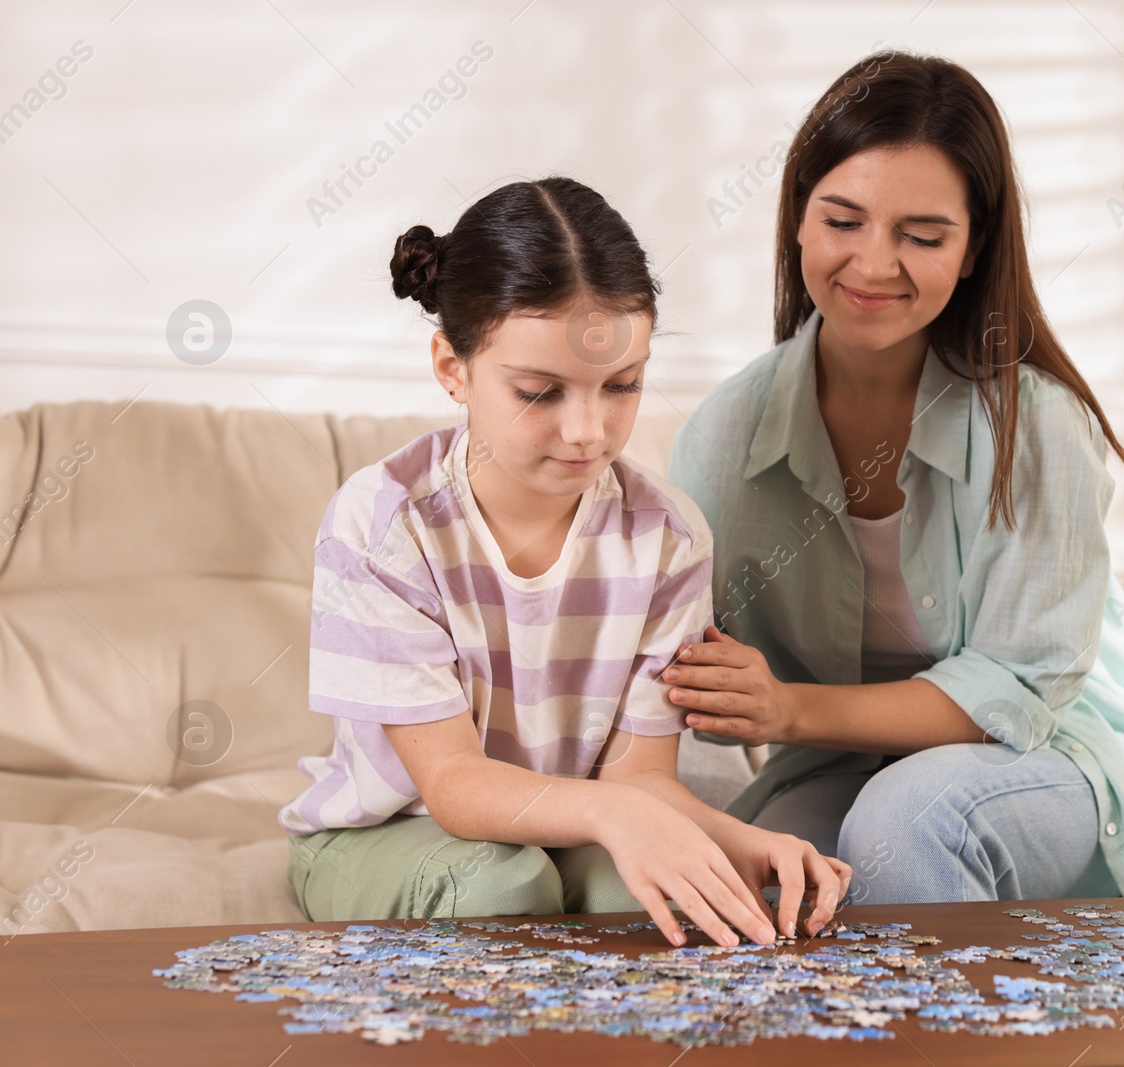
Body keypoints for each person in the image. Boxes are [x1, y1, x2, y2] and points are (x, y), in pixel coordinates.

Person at [665, 52, 1124, 903]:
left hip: (1053, 760)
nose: (874, 264)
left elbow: (1022, 687)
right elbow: (668, 641)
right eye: (842, 221)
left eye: (922, 236)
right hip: (842, 767)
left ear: (972, 252)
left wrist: (790, 709)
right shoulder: (725, 437)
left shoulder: (1035, 426)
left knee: (908, 820)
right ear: (797, 222)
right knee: (750, 872)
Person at [278, 178, 849, 946]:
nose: (587, 430)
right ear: (453, 366)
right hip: (388, 833)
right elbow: (452, 786)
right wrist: (618, 814)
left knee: (658, 894)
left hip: (574, 827)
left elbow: (639, 781)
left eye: (623, 386)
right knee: (504, 882)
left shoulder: (670, 537)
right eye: (541, 392)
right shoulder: (384, 524)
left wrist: (740, 841)